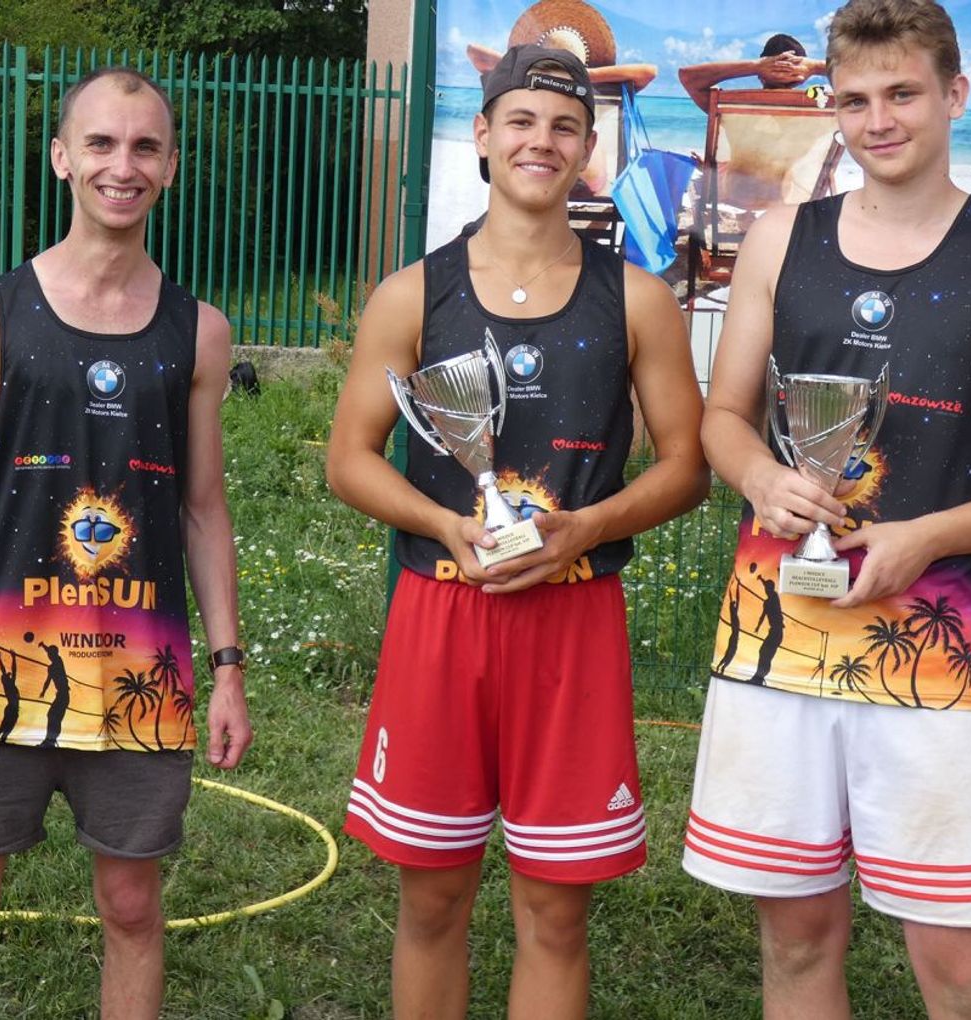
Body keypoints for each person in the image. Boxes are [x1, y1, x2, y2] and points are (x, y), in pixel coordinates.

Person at [683, 2, 971, 1018]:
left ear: (954, 95)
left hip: (933, 652)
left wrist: (928, 536)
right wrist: (760, 478)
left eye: (902, 94)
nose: (878, 120)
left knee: (960, 966)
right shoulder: (781, 240)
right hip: (778, 636)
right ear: (832, 107)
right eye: (854, 100)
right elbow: (723, 419)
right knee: (798, 940)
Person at [326, 44, 708, 1019]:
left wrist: (588, 527)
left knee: (555, 914)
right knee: (432, 900)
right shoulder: (413, 294)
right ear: (484, 134)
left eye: (565, 125)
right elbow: (350, 459)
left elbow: (687, 467)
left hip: (573, 623)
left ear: (586, 148)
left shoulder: (637, 299)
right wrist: (442, 523)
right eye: (523, 121)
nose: (543, 141)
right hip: (441, 613)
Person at [0, 66, 251, 1019]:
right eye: (100, 142)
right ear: (62, 157)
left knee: (133, 907)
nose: (121, 166)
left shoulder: (200, 331)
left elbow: (204, 509)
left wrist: (228, 669)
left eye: (144, 147)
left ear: (170, 167)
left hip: (139, 680)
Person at [678, 33, 827, 112]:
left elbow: (687, 77)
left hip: (740, 164)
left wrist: (757, 66)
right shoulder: (822, 108)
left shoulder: (731, 108)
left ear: (761, 76)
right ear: (801, 78)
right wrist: (815, 66)